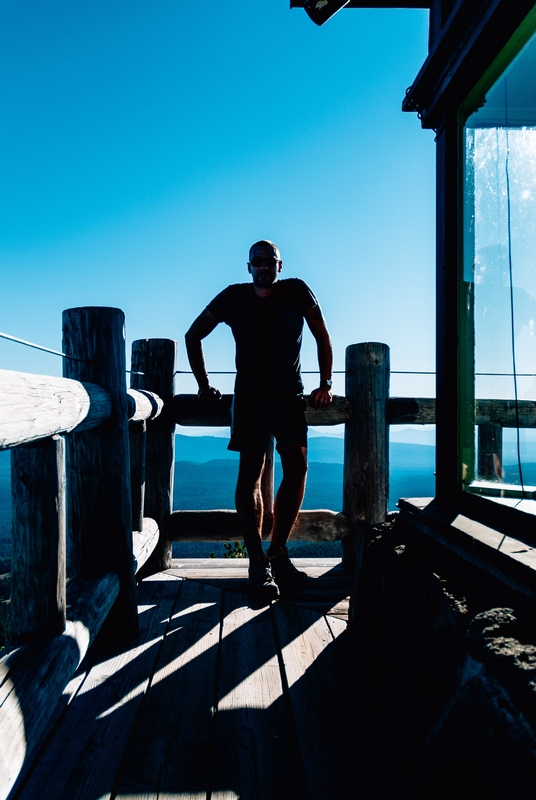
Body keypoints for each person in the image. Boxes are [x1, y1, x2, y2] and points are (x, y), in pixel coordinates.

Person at [185, 240, 333, 599]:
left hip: (289, 395)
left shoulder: (297, 291)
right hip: (249, 398)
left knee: (297, 468)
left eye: (271, 261)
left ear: (280, 266)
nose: (265, 267)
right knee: (250, 474)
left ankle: (277, 552)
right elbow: (193, 335)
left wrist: (325, 383)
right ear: (248, 266)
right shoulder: (233, 297)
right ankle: (257, 564)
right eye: (258, 262)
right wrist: (203, 386)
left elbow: (322, 335)